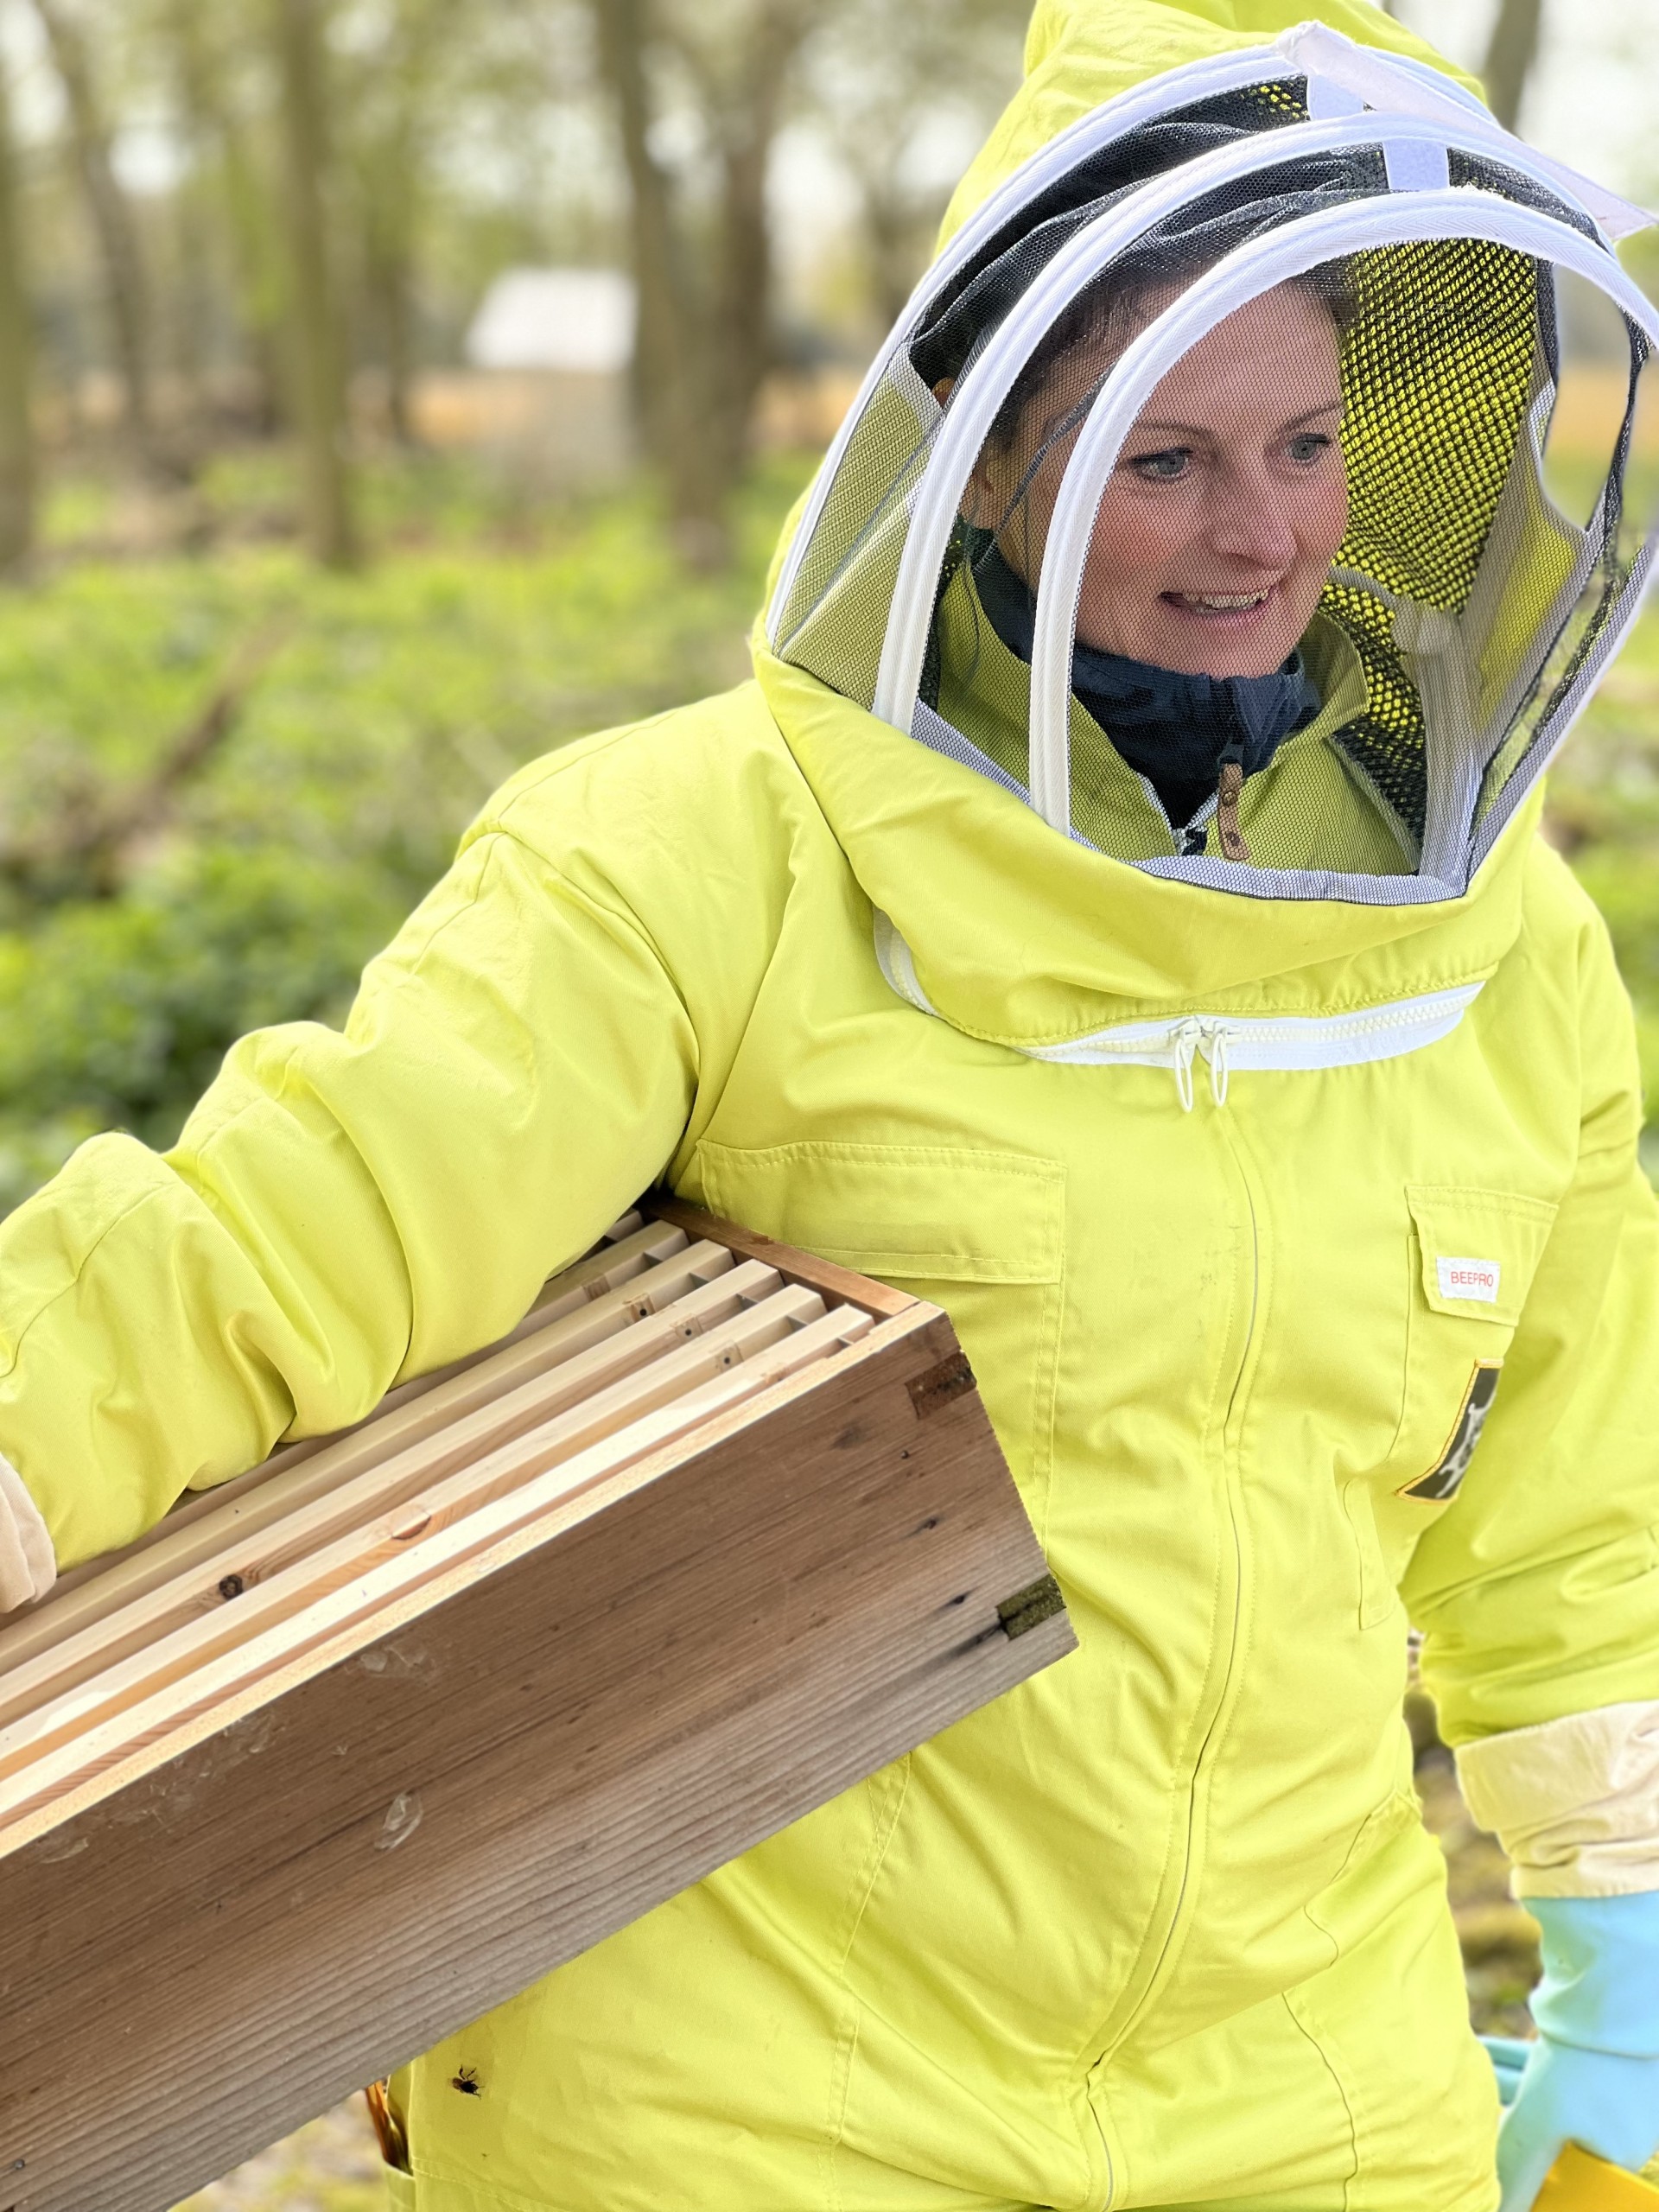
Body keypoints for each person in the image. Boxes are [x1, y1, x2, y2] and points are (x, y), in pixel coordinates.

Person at [3, 4, 1659, 2209]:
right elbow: (290, 1239)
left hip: (1311, 2088)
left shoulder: (1505, 944)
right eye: (1157, 457)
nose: (1255, 530)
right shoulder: (696, 854)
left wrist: (1622, 1973)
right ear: (981, 457)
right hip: (746, 2098)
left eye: (1305, 440)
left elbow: (1571, 1514)